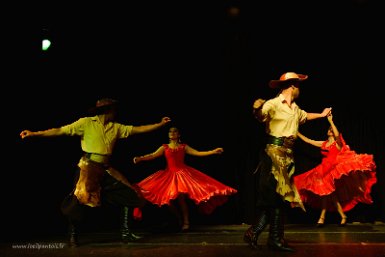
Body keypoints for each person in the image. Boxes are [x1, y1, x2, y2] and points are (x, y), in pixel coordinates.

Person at [20, 98, 171, 247]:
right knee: (78, 200)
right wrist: (34, 133)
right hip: (88, 167)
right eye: (113, 110)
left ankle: (126, 234)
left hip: (105, 169)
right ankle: (73, 235)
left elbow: (138, 129)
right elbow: (60, 130)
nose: (115, 112)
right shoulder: (85, 123)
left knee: (131, 194)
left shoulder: (115, 127)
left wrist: (160, 124)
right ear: (108, 111)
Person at [244, 72, 332, 252]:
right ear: (293, 86)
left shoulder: (295, 108)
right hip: (273, 153)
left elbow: (305, 116)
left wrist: (322, 115)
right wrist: (256, 108)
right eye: (298, 85)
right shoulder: (273, 104)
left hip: (287, 155)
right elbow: (261, 116)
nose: (299, 88)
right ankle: (273, 238)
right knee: (275, 197)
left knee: (277, 198)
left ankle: (256, 233)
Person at [132, 126, 238, 232]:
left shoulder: (183, 147)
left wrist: (212, 151)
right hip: (169, 176)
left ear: (179, 135)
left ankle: (186, 221)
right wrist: (141, 158)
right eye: (170, 132)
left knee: (181, 199)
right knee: (167, 201)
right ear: (168, 135)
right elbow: (153, 155)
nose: (172, 133)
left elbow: (198, 153)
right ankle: (179, 218)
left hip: (182, 175)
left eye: (175, 131)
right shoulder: (164, 147)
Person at [293, 112, 377, 227]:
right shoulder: (324, 143)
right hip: (322, 170)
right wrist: (296, 131)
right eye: (329, 129)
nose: (329, 131)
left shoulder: (338, 144)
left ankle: (322, 217)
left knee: (326, 193)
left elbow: (337, 134)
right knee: (329, 194)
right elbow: (308, 141)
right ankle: (341, 216)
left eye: (331, 130)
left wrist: (330, 121)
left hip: (332, 171)